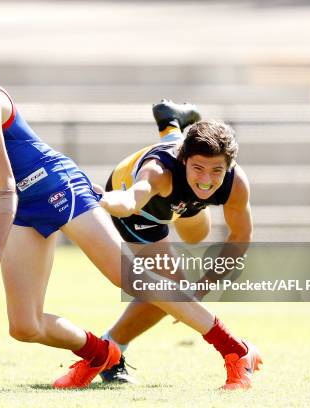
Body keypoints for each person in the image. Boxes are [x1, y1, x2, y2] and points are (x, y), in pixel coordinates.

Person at [0, 6, 259, 390]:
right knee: (24, 326)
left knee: (134, 278)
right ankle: (101, 354)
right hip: (27, 202)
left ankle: (236, 350)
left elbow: (4, 184)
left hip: (56, 185)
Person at [95, 100, 262, 389]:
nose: (208, 180)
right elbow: (133, 198)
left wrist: (204, 286)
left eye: (217, 171)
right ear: (184, 160)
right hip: (140, 211)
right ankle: (110, 350)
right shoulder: (158, 172)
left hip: (181, 202)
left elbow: (239, 238)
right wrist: (108, 201)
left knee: (195, 238)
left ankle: (170, 121)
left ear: (230, 165)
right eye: (199, 168)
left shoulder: (234, 182)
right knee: (172, 292)